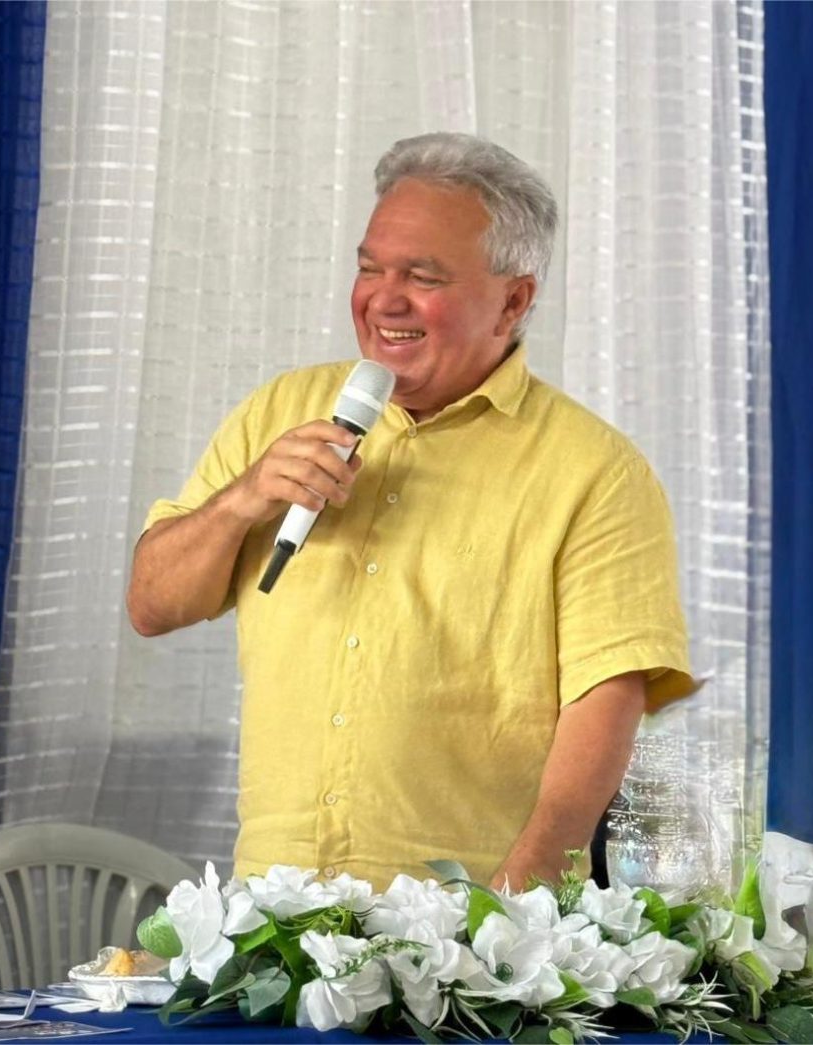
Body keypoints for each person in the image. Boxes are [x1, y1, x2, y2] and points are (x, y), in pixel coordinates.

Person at [127, 132, 694, 892]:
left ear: (514, 300)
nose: (383, 299)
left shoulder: (597, 471)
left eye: (422, 276)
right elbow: (153, 606)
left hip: (463, 923)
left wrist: (511, 917)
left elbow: (606, 700)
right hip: (273, 912)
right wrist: (244, 499)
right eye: (370, 268)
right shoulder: (279, 411)